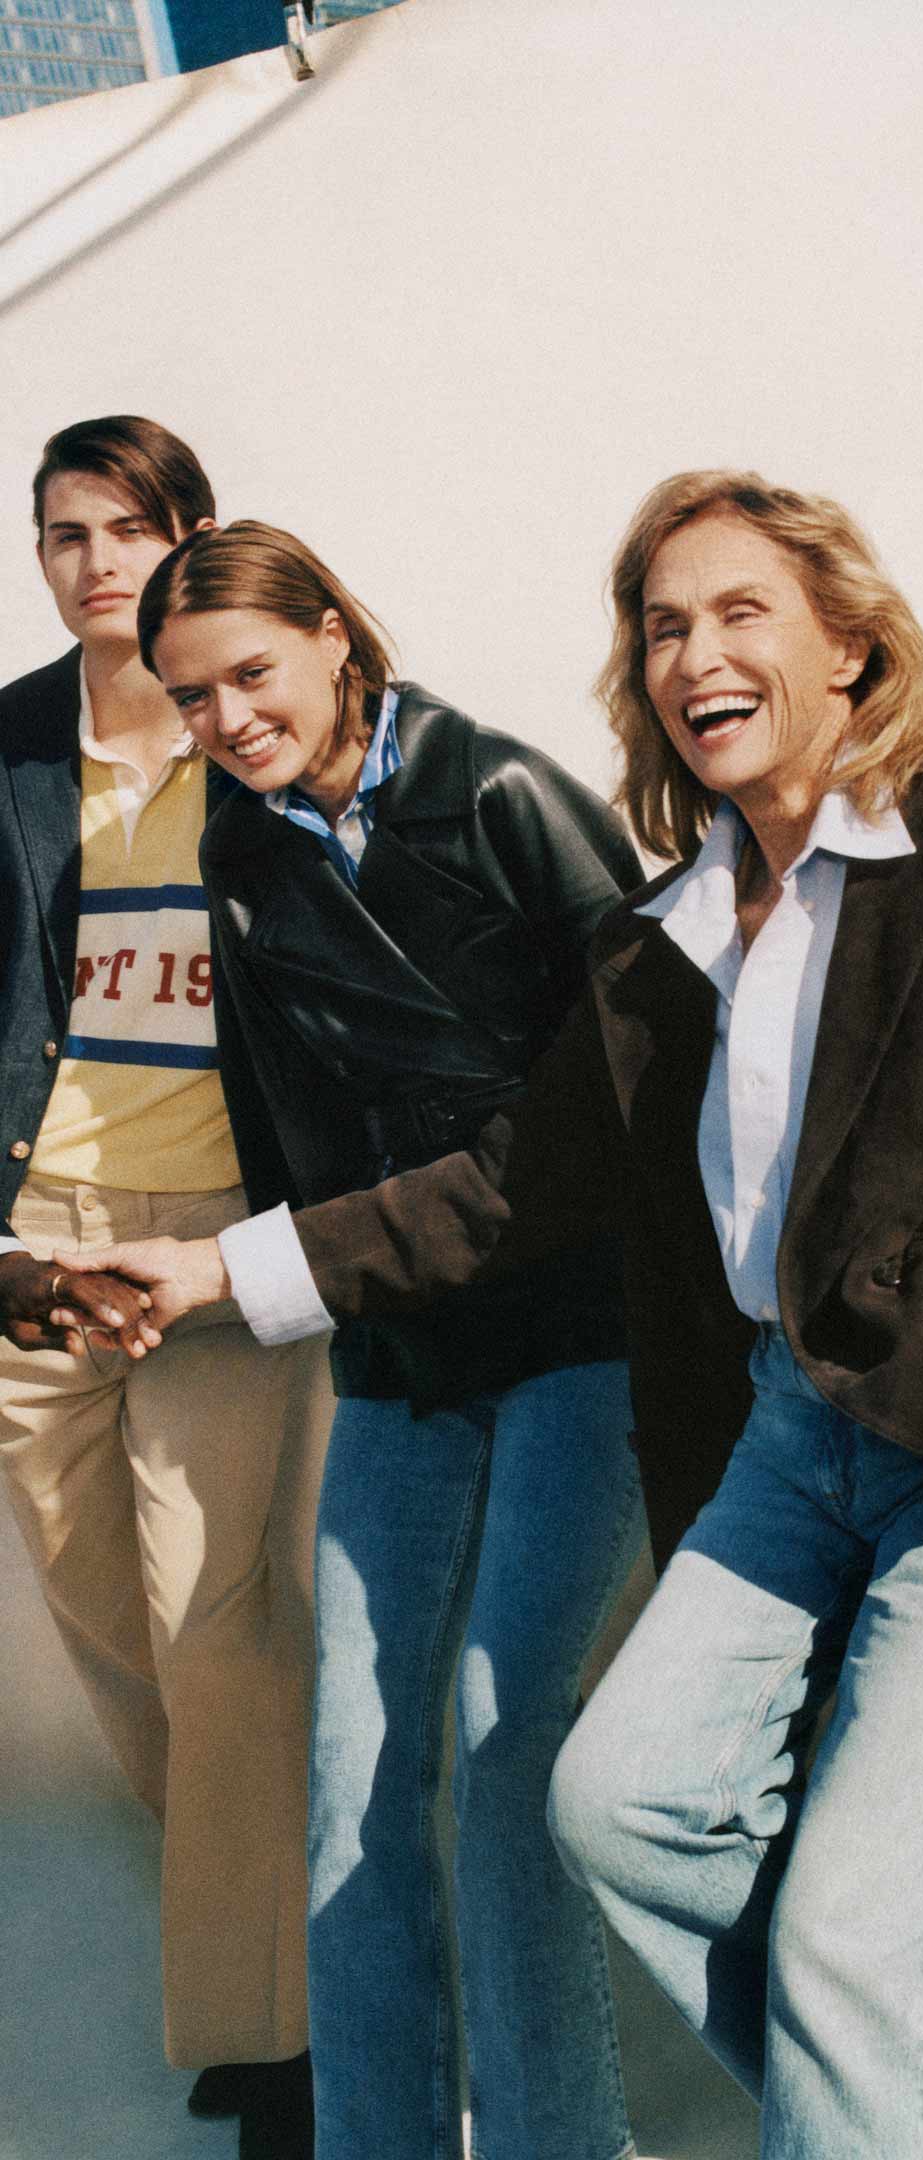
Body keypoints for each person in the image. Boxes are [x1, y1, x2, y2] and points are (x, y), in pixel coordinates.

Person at [75, 470, 923, 2159]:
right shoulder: (664, 943)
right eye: (664, 626)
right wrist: (218, 1271)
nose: (697, 652)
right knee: (622, 1809)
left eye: (741, 610)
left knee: (850, 1929)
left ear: (849, 643)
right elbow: (505, 1191)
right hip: (791, 1446)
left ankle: (905, 2077)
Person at [129, 519, 647, 2160]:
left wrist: (264, 1271)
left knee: (505, 1765)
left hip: (579, 1335)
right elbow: (276, 1108)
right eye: (188, 696)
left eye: (250, 674)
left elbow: (636, 1096)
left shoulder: (506, 797)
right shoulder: (236, 842)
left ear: (335, 635)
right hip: (398, 1355)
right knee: (349, 1774)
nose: (226, 721)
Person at [0, 420, 334, 2158]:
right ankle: (255, 1939)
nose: (98, 563)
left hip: (211, 1237)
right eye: (67, 533)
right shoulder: (8, 747)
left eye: (129, 528)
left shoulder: (249, 732)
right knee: (112, 1637)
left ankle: (271, 2036)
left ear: (193, 534)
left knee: (217, 1630)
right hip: (37, 1242)